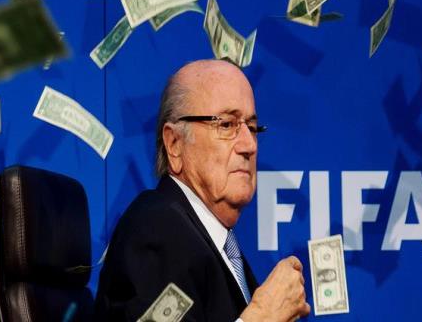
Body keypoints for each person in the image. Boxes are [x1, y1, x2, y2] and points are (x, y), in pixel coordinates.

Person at [95, 59, 310, 321]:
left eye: (252, 128)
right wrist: (264, 316)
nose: (249, 145)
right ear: (174, 143)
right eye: (226, 125)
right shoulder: (158, 229)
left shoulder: (212, 242)